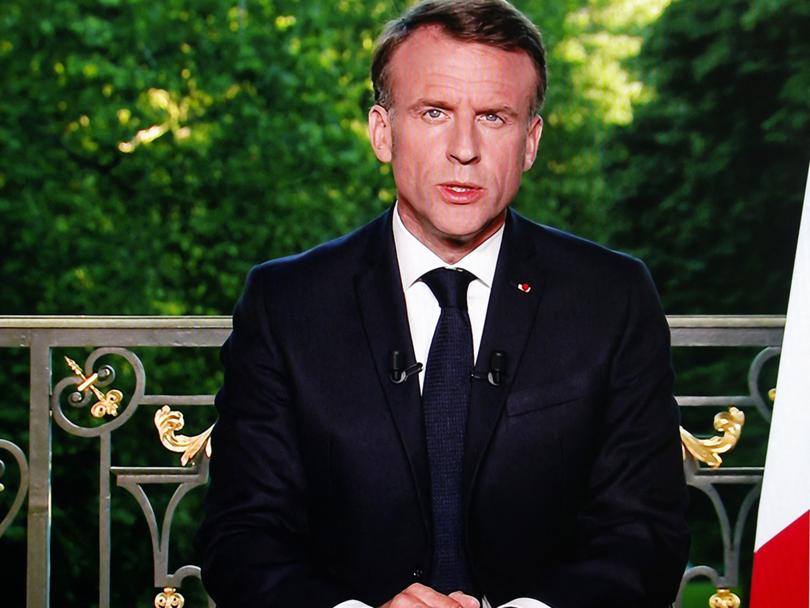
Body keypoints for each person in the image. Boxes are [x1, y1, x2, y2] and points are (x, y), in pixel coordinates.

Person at [196, 1, 690, 607]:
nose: (465, 148)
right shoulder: (286, 304)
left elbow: (645, 535)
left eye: (494, 117)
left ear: (530, 142)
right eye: (434, 112)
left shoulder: (613, 298)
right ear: (383, 131)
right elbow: (241, 537)